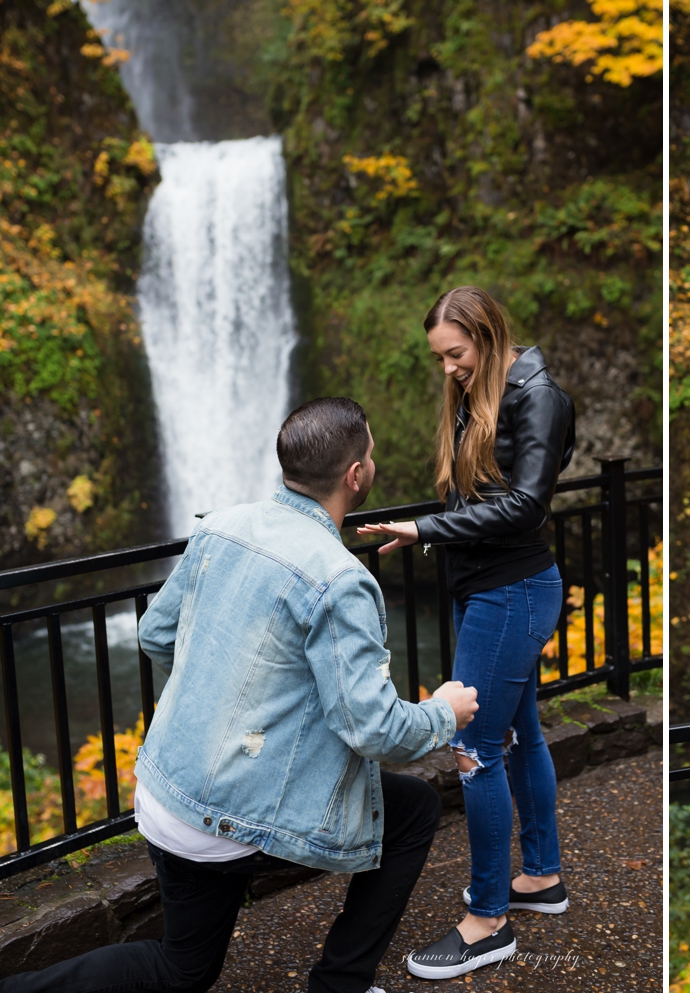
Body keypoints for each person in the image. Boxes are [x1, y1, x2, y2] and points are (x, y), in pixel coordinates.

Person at [0, 397, 480, 993]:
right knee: (182, 972)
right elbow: (374, 730)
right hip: (217, 814)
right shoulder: (339, 578)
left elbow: (154, 635)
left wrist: (225, 686)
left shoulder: (220, 525)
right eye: (372, 454)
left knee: (407, 809)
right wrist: (444, 712)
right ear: (357, 475)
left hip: (165, 780)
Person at [356, 286, 575, 980]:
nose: (448, 367)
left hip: (511, 591)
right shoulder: (479, 391)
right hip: (489, 588)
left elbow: (524, 503)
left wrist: (427, 529)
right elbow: (475, 494)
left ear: (487, 334)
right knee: (519, 734)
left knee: (475, 745)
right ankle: (540, 877)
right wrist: (419, 527)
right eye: (440, 358)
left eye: (456, 353)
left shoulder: (538, 396)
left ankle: (487, 920)